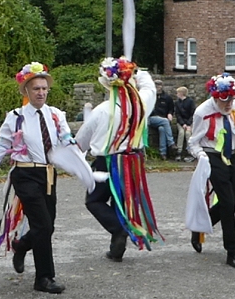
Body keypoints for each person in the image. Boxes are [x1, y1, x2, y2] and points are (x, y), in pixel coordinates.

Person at [0, 62, 71, 294]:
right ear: (26, 91)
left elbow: (67, 142)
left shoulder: (56, 115)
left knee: (47, 225)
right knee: (42, 224)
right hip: (25, 174)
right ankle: (44, 278)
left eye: (44, 88)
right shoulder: (15, 117)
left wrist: (80, 160)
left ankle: (21, 245)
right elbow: (2, 146)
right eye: (36, 88)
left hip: (49, 174)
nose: (41, 92)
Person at [76, 57, 163, 262]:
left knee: (94, 201)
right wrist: (137, 71)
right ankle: (117, 248)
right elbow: (149, 87)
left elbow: (80, 141)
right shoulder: (141, 104)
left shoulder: (101, 110)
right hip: (133, 163)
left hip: (106, 163)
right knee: (121, 202)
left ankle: (119, 230)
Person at [187, 73, 235, 269]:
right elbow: (193, 142)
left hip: (234, 156)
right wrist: (201, 156)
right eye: (225, 100)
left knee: (228, 205)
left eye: (232, 99)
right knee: (228, 205)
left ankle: (199, 227)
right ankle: (233, 252)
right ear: (215, 97)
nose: (229, 104)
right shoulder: (202, 112)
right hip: (213, 157)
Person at [149, 80, 177, 159]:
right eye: (156, 86)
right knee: (165, 121)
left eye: (159, 85)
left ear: (162, 86)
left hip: (163, 120)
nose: (158, 87)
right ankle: (171, 143)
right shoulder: (150, 96)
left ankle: (163, 153)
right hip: (152, 118)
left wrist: (170, 113)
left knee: (162, 129)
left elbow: (171, 108)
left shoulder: (167, 97)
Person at [174, 86, 195, 162]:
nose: (177, 94)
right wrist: (183, 124)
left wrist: (188, 124)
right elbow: (177, 114)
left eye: (178, 93)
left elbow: (193, 114)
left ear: (181, 93)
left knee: (188, 134)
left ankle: (190, 152)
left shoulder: (190, 101)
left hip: (189, 122)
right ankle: (179, 152)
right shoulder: (177, 103)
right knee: (181, 133)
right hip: (181, 122)